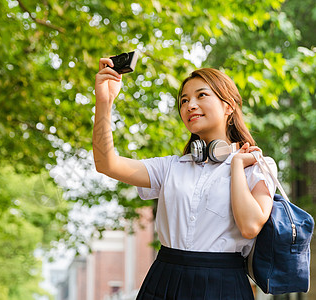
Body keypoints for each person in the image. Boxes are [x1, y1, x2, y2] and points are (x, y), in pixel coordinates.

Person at [92, 57, 277, 299]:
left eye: (201, 95)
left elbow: (250, 226)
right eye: (184, 100)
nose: (190, 105)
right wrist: (104, 102)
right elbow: (107, 164)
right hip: (165, 280)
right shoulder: (171, 167)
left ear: (228, 106)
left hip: (223, 284)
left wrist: (236, 166)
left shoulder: (257, 166)